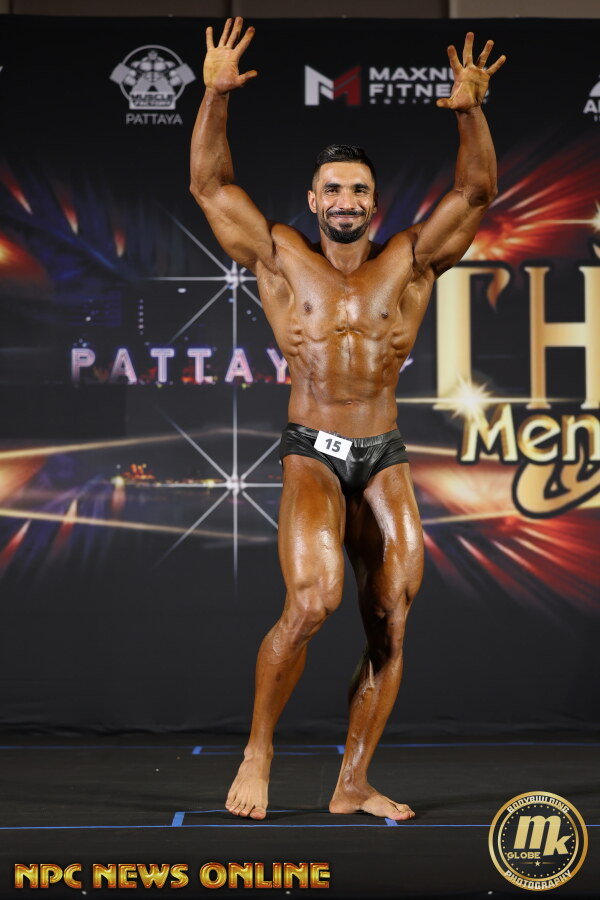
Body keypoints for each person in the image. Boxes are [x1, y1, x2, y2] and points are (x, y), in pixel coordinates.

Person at [190, 18, 505, 821]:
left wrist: (471, 113)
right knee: (312, 601)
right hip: (312, 451)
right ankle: (259, 750)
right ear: (313, 199)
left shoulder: (410, 260)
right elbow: (211, 188)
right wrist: (214, 97)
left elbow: (474, 193)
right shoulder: (281, 258)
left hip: (384, 453)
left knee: (391, 619)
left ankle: (353, 782)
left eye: (358, 190)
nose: (345, 201)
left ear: (374, 202)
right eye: (333, 189)